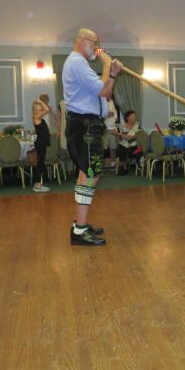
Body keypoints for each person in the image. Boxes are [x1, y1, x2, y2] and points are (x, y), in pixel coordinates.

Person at [63, 28, 122, 246]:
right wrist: (106, 65)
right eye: (94, 43)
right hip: (84, 126)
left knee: (87, 173)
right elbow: (100, 89)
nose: (97, 47)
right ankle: (79, 230)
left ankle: (80, 224)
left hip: (88, 126)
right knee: (90, 174)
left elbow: (105, 93)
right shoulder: (76, 62)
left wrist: (112, 74)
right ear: (82, 41)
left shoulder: (81, 64)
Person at [112, 110, 140, 175]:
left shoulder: (137, 125)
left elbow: (139, 135)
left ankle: (124, 166)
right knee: (120, 150)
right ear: (128, 118)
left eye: (135, 116)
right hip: (123, 144)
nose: (135, 117)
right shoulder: (122, 125)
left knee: (127, 150)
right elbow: (112, 131)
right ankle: (124, 168)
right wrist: (121, 134)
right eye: (133, 116)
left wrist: (130, 137)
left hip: (133, 145)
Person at [31, 98, 51, 192]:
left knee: (40, 164)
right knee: (40, 164)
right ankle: (37, 185)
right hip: (41, 143)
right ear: (36, 109)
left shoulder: (38, 117)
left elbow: (46, 109)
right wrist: (40, 101)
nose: (41, 108)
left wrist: (41, 102)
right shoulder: (36, 117)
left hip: (42, 142)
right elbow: (47, 109)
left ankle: (37, 184)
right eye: (39, 107)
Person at [102, 97, 118, 169]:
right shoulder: (100, 101)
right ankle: (100, 165)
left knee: (113, 147)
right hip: (104, 129)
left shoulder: (111, 101)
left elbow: (115, 113)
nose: (110, 93)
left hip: (112, 128)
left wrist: (115, 118)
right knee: (103, 148)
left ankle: (112, 165)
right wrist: (107, 114)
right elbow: (98, 114)